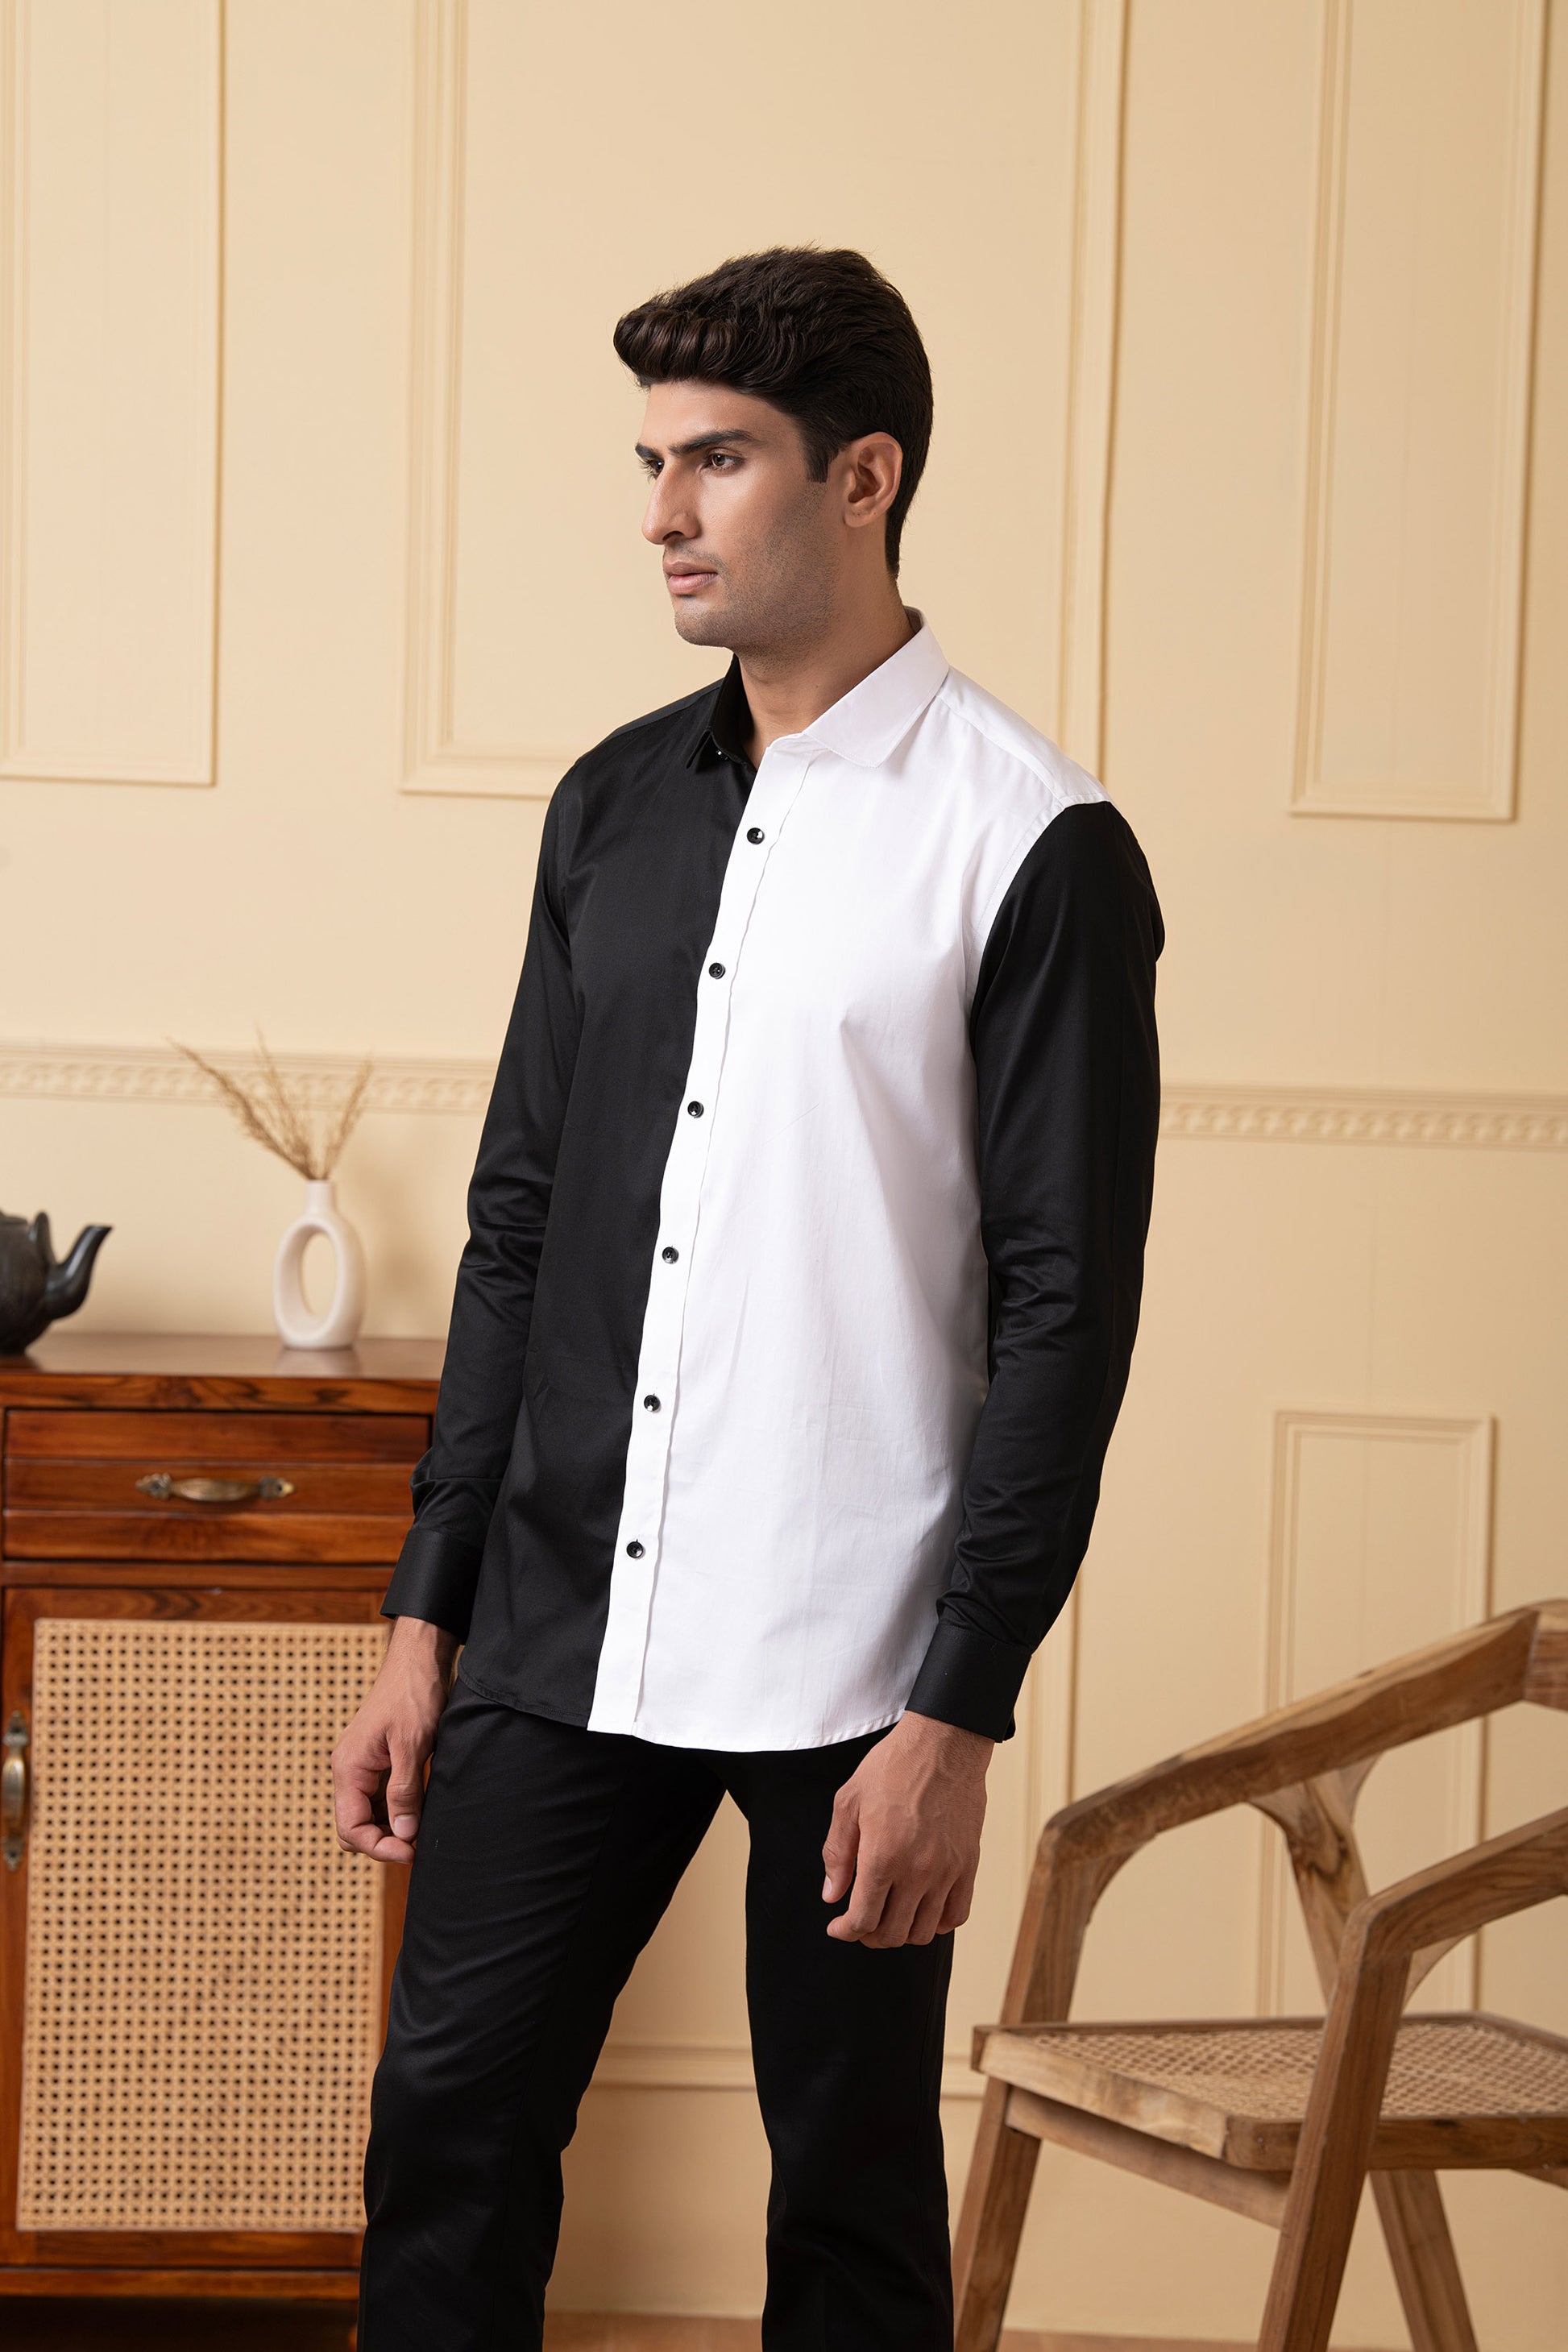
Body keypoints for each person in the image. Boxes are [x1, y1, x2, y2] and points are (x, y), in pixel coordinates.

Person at [335, 244, 1162, 2351]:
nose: (662, 515)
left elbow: (1065, 1311)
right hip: (563, 1615)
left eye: (716, 460)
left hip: (859, 1652)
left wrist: (958, 1708)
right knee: (446, 2136)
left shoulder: (1032, 841)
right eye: (652, 464)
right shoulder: (610, 807)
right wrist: (427, 1615)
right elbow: (518, 1224)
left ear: (862, 478)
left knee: (851, 2200)